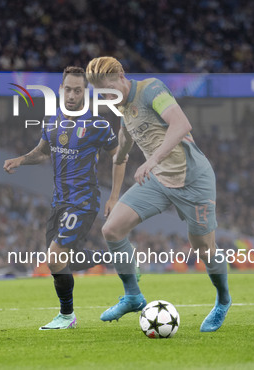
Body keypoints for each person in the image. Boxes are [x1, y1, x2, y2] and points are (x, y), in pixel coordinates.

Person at [85, 56, 231, 332]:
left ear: (121, 76)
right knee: (112, 229)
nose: (107, 96)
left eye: (108, 90)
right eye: (102, 94)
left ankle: (223, 300)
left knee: (204, 248)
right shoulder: (123, 110)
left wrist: (151, 161)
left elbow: (181, 125)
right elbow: (120, 155)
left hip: (193, 180)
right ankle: (133, 296)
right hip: (158, 181)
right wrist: (115, 195)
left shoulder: (151, 89)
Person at [3, 66, 121, 330]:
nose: (71, 95)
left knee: (55, 258)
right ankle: (113, 257)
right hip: (59, 202)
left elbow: (118, 155)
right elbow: (44, 152)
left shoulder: (97, 124)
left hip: (83, 200)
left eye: (77, 90)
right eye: (68, 89)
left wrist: (114, 195)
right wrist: (21, 159)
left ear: (84, 93)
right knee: (60, 261)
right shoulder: (52, 121)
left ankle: (67, 316)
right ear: (60, 90)